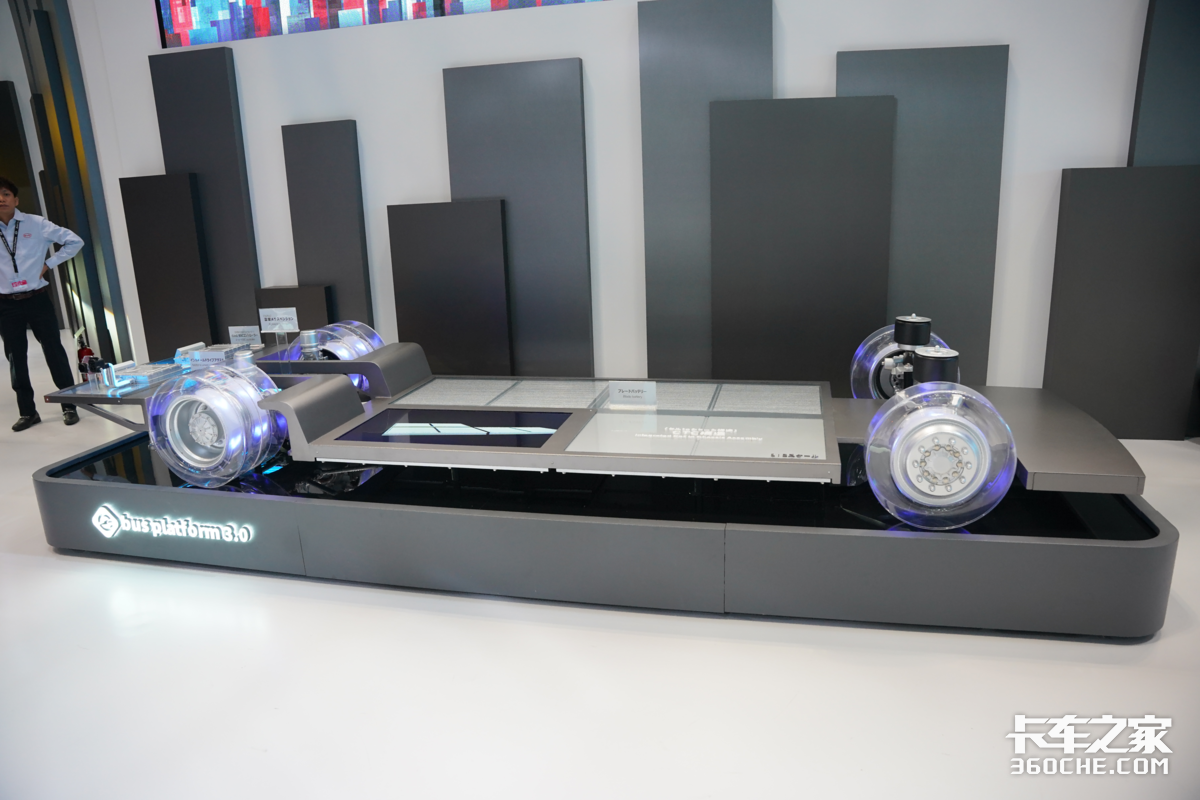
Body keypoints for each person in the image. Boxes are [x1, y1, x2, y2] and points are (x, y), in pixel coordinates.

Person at [0, 176, 83, 431]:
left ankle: (69, 405)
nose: (1, 199)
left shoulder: (36, 224)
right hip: (5, 304)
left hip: (37, 299)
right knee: (16, 357)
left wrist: (49, 264)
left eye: (5, 194)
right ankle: (28, 412)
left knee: (54, 351)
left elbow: (75, 241)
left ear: (16, 199)